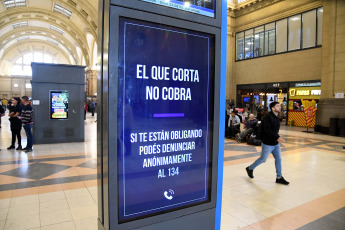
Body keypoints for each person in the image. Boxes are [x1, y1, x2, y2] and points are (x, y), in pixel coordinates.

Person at [245, 102, 289, 185]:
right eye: (278, 106)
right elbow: (267, 130)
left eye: (279, 106)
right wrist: (277, 137)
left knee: (278, 159)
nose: (280, 107)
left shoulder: (276, 117)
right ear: (273, 108)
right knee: (263, 159)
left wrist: (277, 137)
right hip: (267, 143)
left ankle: (279, 177)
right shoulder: (268, 117)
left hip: (275, 143)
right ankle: (250, 168)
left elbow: (275, 130)